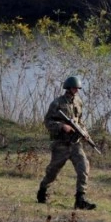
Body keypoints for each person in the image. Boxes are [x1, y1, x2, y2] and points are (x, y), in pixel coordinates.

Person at [37, 75, 97, 210]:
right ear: (68, 88)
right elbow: (48, 122)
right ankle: (43, 190)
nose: (76, 90)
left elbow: (80, 120)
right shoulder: (57, 103)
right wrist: (62, 126)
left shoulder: (79, 102)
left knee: (84, 168)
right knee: (53, 172)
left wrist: (85, 133)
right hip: (61, 144)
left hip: (75, 143)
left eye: (77, 88)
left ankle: (80, 199)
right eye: (74, 88)